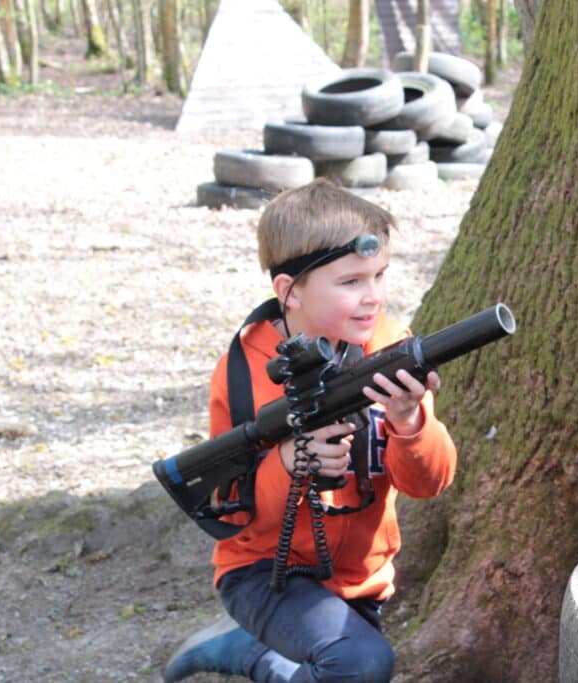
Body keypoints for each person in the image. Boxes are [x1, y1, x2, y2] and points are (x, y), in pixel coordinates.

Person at [164, 179, 458, 682]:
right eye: (351, 283)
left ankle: (258, 656)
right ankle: (261, 649)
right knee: (360, 664)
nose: (374, 298)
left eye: (380, 276)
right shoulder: (241, 374)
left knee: (347, 668)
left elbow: (428, 485)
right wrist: (289, 463)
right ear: (289, 291)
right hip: (262, 573)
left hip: (359, 579)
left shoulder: (390, 348)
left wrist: (410, 422)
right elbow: (235, 508)